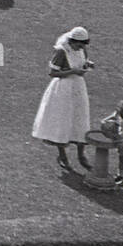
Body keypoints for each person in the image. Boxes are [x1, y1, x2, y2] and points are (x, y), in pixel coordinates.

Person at [31, 26, 94, 171]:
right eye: (79, 44)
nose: (82, 47)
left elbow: (83, 61)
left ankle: (81, 155)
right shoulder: (61, 51)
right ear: (72, 41)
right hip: (63, 89)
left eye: (84, 44)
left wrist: (87, 65)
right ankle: (62, 155)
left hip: (78, 87)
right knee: (62, 120)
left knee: (80, 119)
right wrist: (73, 71)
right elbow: (53, 73)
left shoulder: (82, 49)